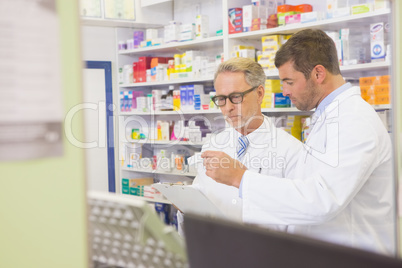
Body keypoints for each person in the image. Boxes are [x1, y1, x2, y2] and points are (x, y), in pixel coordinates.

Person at [202, 29, 395, 255]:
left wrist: (241, 178)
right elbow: (305, 192)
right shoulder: (328, 115)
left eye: (289, 82)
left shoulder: (354, 120)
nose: (284, 91)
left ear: (318, 74)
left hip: (354, 255)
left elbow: (322, 199)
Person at [177, 57, 302, 234]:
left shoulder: (292, 152)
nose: (227, 108)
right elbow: (201, 200)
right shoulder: (212, 145)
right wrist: (186, 208)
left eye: (236, 97)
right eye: (221, 99)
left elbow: (297, 226)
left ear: (259, 94)